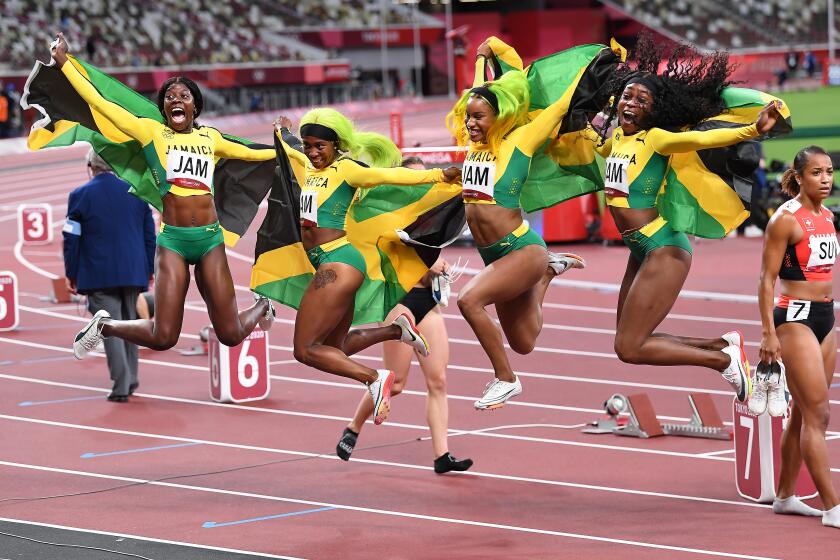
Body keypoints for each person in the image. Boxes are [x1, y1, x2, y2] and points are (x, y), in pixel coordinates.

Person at [49, 33, 277, 359]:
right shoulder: (151, 132)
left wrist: (287, 145)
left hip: (210, 239)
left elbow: (256, 155)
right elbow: (101, 103)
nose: (175, 100)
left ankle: (263, 306)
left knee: (230, 334)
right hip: (173, 241)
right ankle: (103, 326)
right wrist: (66, 64)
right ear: (164, 108)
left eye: (183, 95)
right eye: (169, 97)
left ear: (195, 106)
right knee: (164, 335)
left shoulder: (211, 138)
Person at [586, 34, 785, 402]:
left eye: (641, 100)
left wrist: (753, 130)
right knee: (625, 340)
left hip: (663, 248)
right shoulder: (616, 137)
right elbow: (593, 141)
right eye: (627, 96)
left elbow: (704, 140)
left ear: (653, 110)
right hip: (639, 250)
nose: (631, 103)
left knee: (630, 348)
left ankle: (722, 362)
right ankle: (723, 346)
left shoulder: (658, 138)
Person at [274, 109, 461, 426]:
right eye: (309, 145)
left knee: (304, 350)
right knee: (336, 348)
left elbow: (393, 176)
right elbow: (289, 144)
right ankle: (395, 330)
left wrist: (438, 175)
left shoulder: (347, 170)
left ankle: (374, 378)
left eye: (321, 145)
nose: (313, 151)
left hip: (337, 263)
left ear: (336, 145)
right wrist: (282, 131)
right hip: (337, 263)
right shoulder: (307, 164)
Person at [445, 41, 586, 410]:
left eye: (478, 118)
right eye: (468, 118)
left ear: (501, 117)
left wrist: (589, 68)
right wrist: (480, 57)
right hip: (495, 256)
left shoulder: (520, 141)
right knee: (524, 341)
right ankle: (546, 276)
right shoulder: (473, 145)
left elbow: (559, 108)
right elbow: (475, 95)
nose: (470, 124)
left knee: (469, 300)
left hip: (521, 249)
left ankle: (505, 379)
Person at [336, 157, 473, 474]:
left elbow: (431, 252)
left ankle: (442, 455)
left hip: (427, 300)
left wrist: (439, 269)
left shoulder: (432, 213)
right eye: (412, 178)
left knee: (438, 379)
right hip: (397, 300)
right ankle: (353, 426)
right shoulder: (385, 214)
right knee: (395, 384)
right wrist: (427, 263)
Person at [757, 146, 840, 527]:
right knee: (819, 414)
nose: (825, 180)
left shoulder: (828, 217)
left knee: (804, 417)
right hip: (795, 318)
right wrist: (768, 333)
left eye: (829, 172)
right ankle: (833, 506)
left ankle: (786, 496)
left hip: (826, 317)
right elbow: (766, 279)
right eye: (817, 173)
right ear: (800, 176)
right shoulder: (785, 220)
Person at [63, 150, 155, 402]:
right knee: (130, 326)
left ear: (90, 166)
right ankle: (131, 378)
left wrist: (71, 273)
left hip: (98, 274)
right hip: (133, 271)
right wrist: (149, 270)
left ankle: (121, 386)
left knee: (109, 327)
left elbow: (71, 239)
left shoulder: (79, 196)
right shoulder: (136, 191)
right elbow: (150, 236)